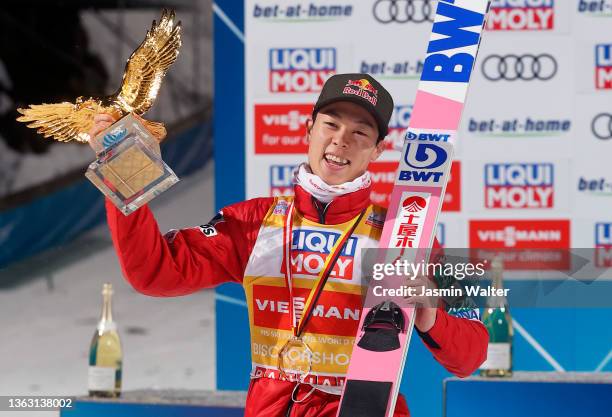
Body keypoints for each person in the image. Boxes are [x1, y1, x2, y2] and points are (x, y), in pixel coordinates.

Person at [89, 73, 488, 417]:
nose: (341, 141)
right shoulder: (252, 223)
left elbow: (474, 353)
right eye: (331, 124)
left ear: (378, 149)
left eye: (360, 133)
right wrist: (124, 170)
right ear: (309, 129)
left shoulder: (408, 235)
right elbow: (154, 272)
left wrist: (432, 313)